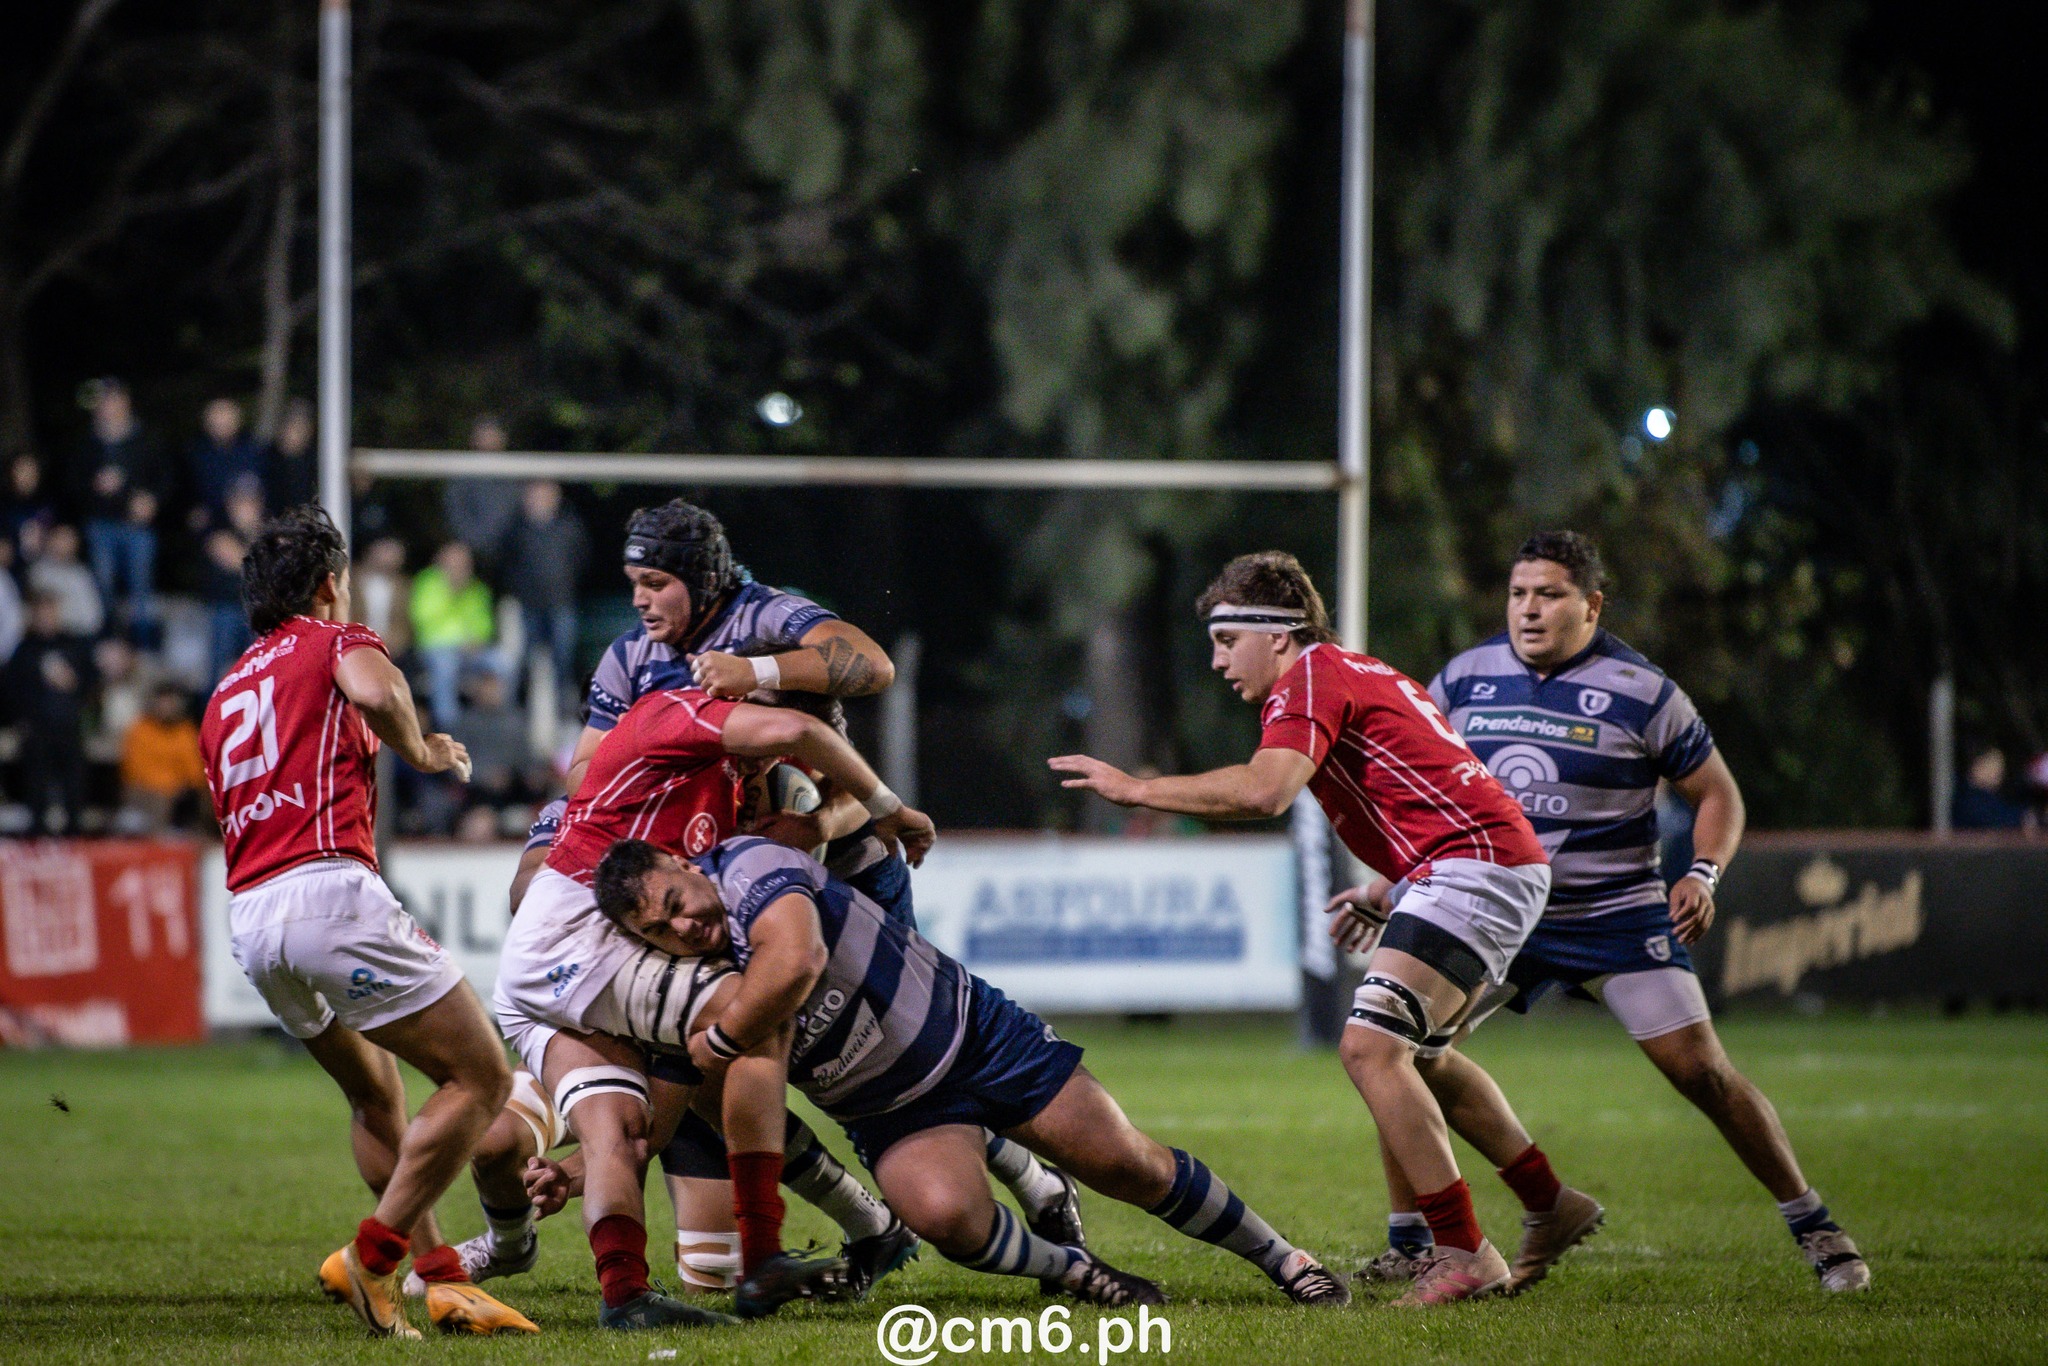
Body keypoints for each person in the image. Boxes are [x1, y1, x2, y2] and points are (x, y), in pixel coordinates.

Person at [563, 499, 1080, 1259]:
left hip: (847, 880)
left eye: (657, 582)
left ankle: (1023, 1180)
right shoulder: (632, 660)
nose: (641, 599)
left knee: (903, 1058)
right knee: (778, 1067)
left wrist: (757, 675)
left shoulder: (765, 616)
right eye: (633, 582)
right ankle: (868, 1226)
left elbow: (872, 665)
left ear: (701, 579)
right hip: (730, 894)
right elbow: (587, 772)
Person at [536, 835, 1351, 1311]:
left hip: (972, 1035)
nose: (688, 923)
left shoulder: (748, 865)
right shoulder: (678, 988)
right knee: (947, 1221)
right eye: (665, 928)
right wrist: (580, 1167)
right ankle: (1078, 1272)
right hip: (892, 1108)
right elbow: (667, 1118)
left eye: (680, 897)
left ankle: (1284, 1259)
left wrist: (721, 1040)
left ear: (687, 862)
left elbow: (797, 962)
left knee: (1123, 1163)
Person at [1050, 551, 1555, 1307]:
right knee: (1425, 1059)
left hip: (1473, 865)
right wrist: (1393, 886)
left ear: (1279, 635)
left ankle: (1462, 1251)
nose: (1218, 662)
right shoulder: (1358, 671)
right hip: (1472, 864)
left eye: (1228, 641)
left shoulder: (1310, 678)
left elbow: (1265, 791)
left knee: (1370, 1048)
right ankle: (1549, 1199)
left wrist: (1138, 789)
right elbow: (1428, 785)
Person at [1405, 530, 1870, 1293]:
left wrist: (1705, 873)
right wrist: (1395, 882)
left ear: (1591, 605)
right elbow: (1426, 791)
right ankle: (1477, 1223)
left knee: (1702, 1074)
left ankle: (1816, 1225)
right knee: (1403, 1050)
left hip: (1615, 915)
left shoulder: (1641, 689)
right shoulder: (1465, 677)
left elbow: (1718, 792)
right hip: (1500, 911)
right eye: (1519, 593)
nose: (1529, 610)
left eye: (1549, 595)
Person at [491, 682, 937, 1328]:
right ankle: (763, 1257)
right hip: (573, 940)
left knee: (629, 1126)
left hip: (533, 978)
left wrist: (575, 1168)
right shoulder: (674, 716)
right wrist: (887, 807)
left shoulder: (730, 804)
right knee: (754, 1015)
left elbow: (667, 1102)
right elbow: (809, 724)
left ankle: (625, 1298)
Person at [197, 505, 537, 1338]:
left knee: (373, 1096)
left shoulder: (225, 691)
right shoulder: (330, 639)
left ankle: (443, 1277)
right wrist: (422, 753)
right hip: (328, 893)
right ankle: (372, 1256)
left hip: (251, 914)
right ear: (327, 585)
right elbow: (378, 689)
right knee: (481, 1078)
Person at [71, 378, 164, 642]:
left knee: (141, 589)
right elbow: (73, 483)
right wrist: (95, 485)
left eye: (115, 399)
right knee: (103, 587)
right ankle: (110, 642)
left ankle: (143, 644)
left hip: (137, 525)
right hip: (101, 524)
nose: (110, 405)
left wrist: (151, 500)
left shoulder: (146, 437)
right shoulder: (88, 442)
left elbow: (165, 477)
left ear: (126, 402)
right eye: (105, 400)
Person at [1, 591, 96, 834]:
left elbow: (91, 683)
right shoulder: (25, 649)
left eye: (50, 611)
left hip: (69, 727)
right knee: (36, 790)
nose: (46, 617)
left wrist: (73, 683)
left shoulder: (74, 645)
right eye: (41, 612)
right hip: (37, 730)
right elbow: (11, 689)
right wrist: (21, 720)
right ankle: (38, 843)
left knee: (74, 790)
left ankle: (75, 840)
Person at [497, 479, 587, 696]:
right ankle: (522, 711)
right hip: (527, 604)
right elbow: (506, 564)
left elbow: (581, 559)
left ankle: (565, 712)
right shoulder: (516, 529)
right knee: (525, 661)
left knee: (563, 660)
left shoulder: (569, 526)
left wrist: (567, 584)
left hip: (561, 601)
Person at [409, 540, 504, 727]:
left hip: (471, 650)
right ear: (441, 561)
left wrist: (477, 640)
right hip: (435, 647)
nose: (459, 568)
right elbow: (423, 619)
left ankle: (494, 722)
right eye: (454, 562)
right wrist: (451, 593)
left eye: (463, 563)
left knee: (503, 662)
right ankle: (450, 726)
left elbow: (485, 624)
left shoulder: (477, 588)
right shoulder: (426, 583)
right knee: (446, 668)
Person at [120, 682, 206, 832]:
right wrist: (158, 789)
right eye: (162, 703)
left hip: (178, 798)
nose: (166, 708)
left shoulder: (186, 732)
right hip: (142, 792)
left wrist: (174, 790)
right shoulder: (140, 730)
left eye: (170, 703)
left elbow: (196, 776)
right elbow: (132, 771)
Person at [442, 415, 522, 570]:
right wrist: (474, 546)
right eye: (484, 435)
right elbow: (456, 515)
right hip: (471, 556)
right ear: (474, 439)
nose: (489, 439)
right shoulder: (461, 476)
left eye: (493, 434)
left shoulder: (515, 475)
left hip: (510, 558)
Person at [186, 397, 266, 532]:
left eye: (226, 414)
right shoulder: (195, 454)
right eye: (217, 415)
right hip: (215, 526)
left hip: (256, 521)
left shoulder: (254, 449)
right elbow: (192, 503)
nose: (222, 421)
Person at [27, 523, 104, 638]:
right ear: (49, 539)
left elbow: (94, 619)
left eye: (68, 539)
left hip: (73, 638)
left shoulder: (80, 575)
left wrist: (61, 621)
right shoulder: (37, 571)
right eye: (59, 537)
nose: (62, 543)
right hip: (36, 639)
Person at [1952, 746, 2029, 830]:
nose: (1999, 772)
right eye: (1993, 765)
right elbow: (1997, 819)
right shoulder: (1968, 799)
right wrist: (2024, 816)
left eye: (2000, 765)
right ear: (1976, 766)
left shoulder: (1988, 796)